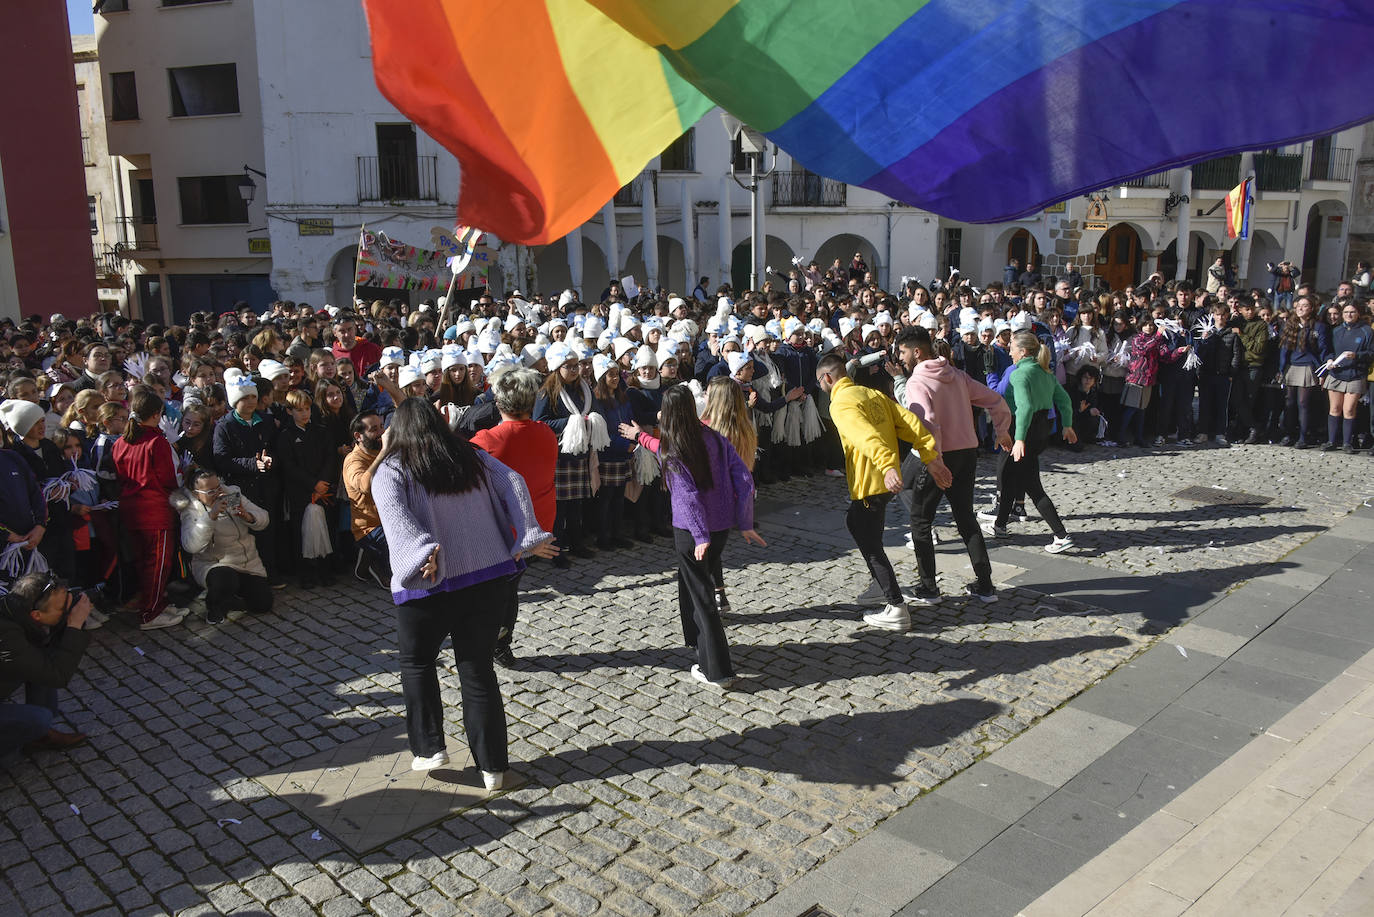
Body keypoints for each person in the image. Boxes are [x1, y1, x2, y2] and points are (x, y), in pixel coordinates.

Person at [371, 399, 556, 783]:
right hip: (487, 579)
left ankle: (429, 749)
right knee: (477, 670)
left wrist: (420, 552)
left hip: (430, 584)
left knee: (417, 663)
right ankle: (493, 769)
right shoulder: (471, 455)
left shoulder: (391, 468)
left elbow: (393, 516)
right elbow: (515, 481)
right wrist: (528, 534)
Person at [624, 386, 764, 687]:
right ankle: (695, 641)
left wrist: (701, 537)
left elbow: (688, 497)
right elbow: (743, 477)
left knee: (703, 598)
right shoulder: (712, 437)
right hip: (719, 527)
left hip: (693, 533)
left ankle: (717, 669)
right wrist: (744, 521)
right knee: (691, 585)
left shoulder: (677, 448)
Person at [816, 353, 951, 633]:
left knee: (867, 538)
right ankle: (881, 586)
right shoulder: (872, 393)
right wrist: (931, 456)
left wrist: (888, 465)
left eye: (820, 382)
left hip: (873, 481)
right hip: (885, 479)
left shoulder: (840, 402)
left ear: (827, 378)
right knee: (865, 531)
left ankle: (895, 605)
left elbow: (865, 434)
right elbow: (911, 423)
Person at [897, 327, 1011, 605]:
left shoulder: (916, 382)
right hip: (966, 453)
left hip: (939, 454)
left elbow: (928, 423)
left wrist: (934, 462)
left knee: (921, 521)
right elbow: (996, 400)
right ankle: (985, 586)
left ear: (917, 351)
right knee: (966, 518)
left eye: (902, 352)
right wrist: (1002, 430)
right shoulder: (958, 376)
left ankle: (928, 588)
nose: (900, 358)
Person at [469, 367, 558, 668]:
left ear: (499, 403)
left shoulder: (488, 439)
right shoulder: (546, 432)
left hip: (501, 531)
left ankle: (493, 642)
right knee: (510, 588)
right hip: (535, 525)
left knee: (496, 593)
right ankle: (502, 644)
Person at [981, 332, 1078, 552]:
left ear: (1023, 352)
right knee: (1010, 477)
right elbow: (1064, 400)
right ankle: (1000, 525)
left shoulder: (1019, 374)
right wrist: (1067, 425)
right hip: (1041, 431)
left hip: (1023, 431)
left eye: (1013, 348)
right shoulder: (1046, 373)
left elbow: (1024, 408)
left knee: (1032, 486)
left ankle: (1061, 535)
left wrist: (1019, 439)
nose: (1010, 351)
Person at [112, 390, 187, 629]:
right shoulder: (157, 442)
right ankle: (150, 612)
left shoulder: (122, 442)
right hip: (155, 512)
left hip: (131, 510)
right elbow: (168, 479)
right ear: (157, 414)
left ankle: (155, 602)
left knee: (143, 561)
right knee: (157, 564)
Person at [0, 572, 94, 758]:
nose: (67, 609)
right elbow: (57, 674)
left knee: (41, 658)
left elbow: (45, 661)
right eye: (62, 608)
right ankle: (33, 735)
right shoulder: (7, 638)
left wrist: (64, 620)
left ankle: (40, 737)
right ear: (36, 615)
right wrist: (74, 625)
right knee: (38, 719)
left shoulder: (14, 611)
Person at [171, 467, 272, 624]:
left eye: (218, 487)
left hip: (247, 563)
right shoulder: (192, 509)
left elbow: (264, 518)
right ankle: (215, 606)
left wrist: (249, 516)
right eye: (211, 491)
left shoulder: (230, 494)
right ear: (197, 493)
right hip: (214, 565)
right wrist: (211, 516)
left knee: (263, 604)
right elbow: (191, 546)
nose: (218, 493)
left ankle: (232, 598)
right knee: (225, 578)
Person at [342, 411, 391, 587]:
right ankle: (373, 561)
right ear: (358, 436)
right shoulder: (353, 460)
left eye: (381, 427)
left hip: (389, 518)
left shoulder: (380, 449)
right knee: (395, 580)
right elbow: (363, 485)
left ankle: (367, 560)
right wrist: (384, 453)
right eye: (374, 429)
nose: (381, 433)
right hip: (369, 527)